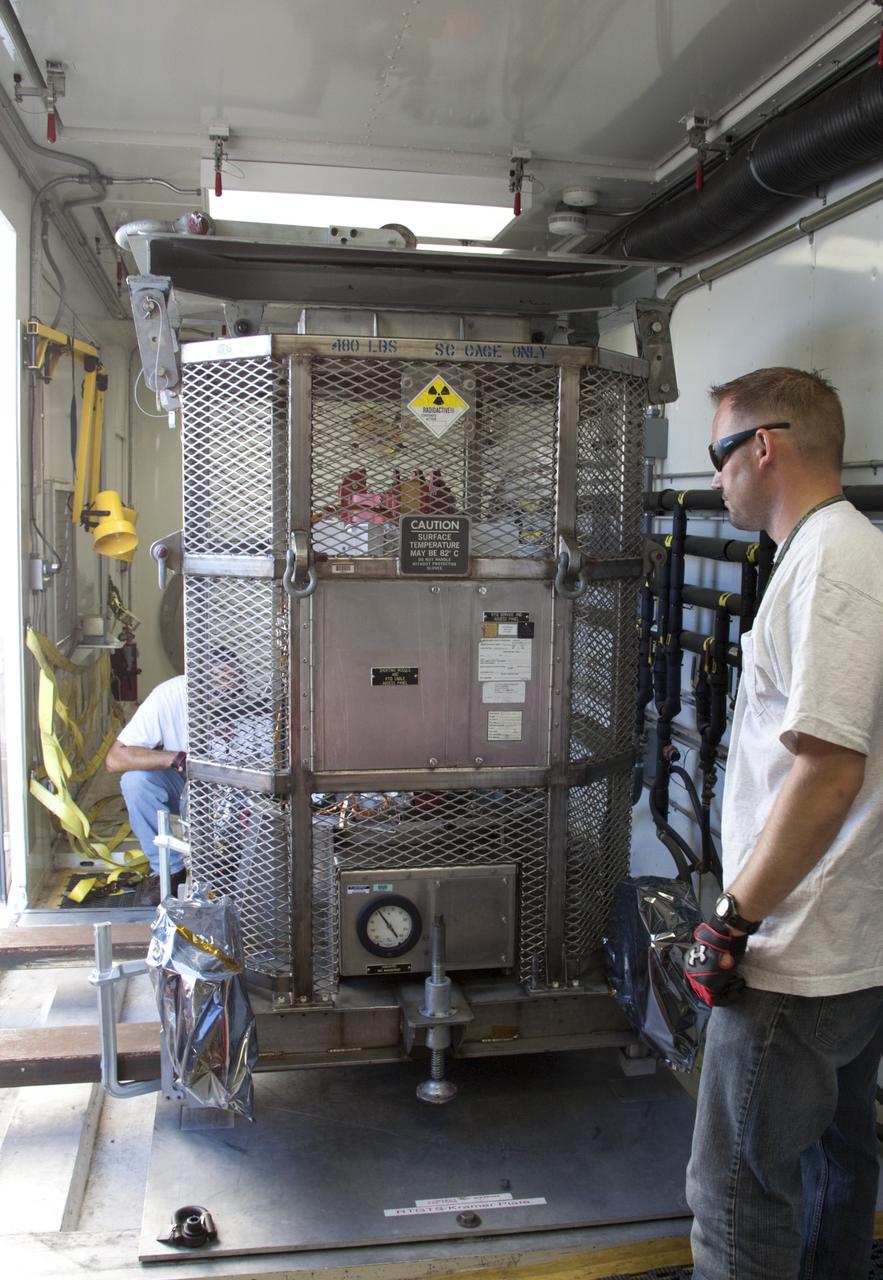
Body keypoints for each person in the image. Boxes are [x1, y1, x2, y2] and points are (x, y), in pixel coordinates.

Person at [683, 367, 883, 1280]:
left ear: (763, 445)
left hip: (796, 955)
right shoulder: (829, 554)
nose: (715, 477)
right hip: (848, 937)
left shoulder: (832, 563)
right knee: (841, 1161)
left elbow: (829, 768)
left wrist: (733, 921)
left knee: (734, 1193)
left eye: (720, 454)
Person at [105, 673, 188, 903]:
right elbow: (115, 759)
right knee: (136, 782)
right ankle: (169, 872)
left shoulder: (250, 704)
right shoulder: (170, 694)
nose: (226, 692)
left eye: (234, 684)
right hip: (185, 783)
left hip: (237, 790)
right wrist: (175, 758)